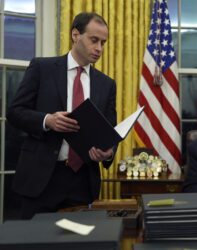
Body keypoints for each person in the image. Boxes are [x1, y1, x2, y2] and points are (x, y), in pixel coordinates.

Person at [7, 12, 117, 219]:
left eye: (103, 42)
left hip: (83, 180)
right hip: (40, 178)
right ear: (76, 35)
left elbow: (111, 130)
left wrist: (108, 152)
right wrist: (47, 120)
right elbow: (15, 112)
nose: (99, 49)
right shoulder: (42, 68)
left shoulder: (107, 84)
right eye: (94, 40)